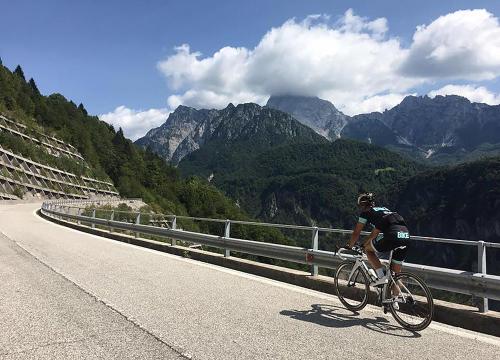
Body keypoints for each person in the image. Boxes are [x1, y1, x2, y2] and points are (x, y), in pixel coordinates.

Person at [346, 192, 410, 286]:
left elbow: (357, 232)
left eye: (360, 206)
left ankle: (381, 277)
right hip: (405, 235)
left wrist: (350, 245)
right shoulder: (384, 209)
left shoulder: (365, 214)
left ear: (362, 205)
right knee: (395, 275)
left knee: (368, 249)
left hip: (392, 235)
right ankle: (396, 300)